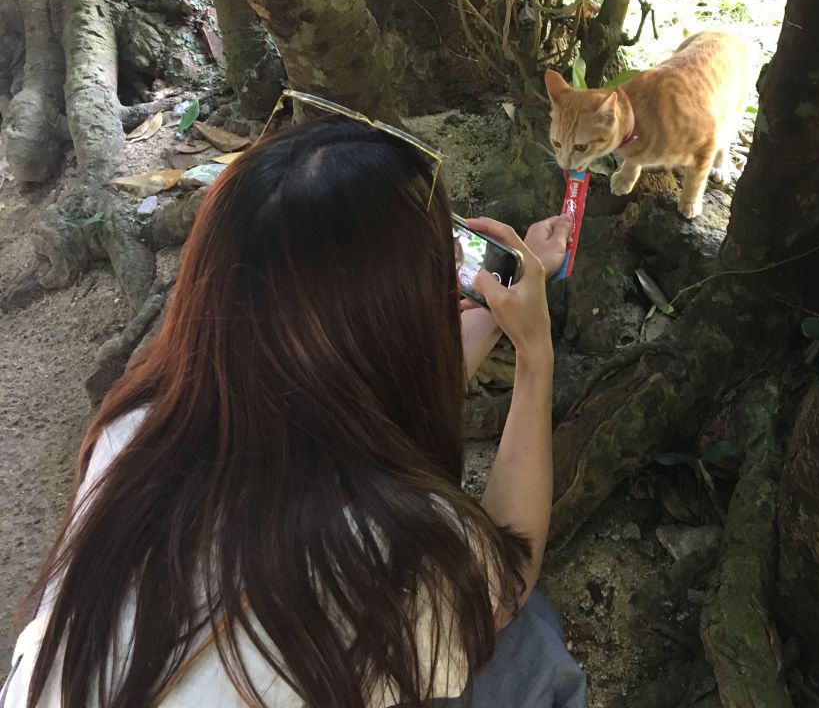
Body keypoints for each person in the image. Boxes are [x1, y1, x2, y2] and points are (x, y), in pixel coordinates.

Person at [3, 115, 583, 708]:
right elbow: (511, 577)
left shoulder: (138, 423)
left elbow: (354, 392)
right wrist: (535, 356)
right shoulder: (406, 546)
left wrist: (490, 314)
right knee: (528, 646)